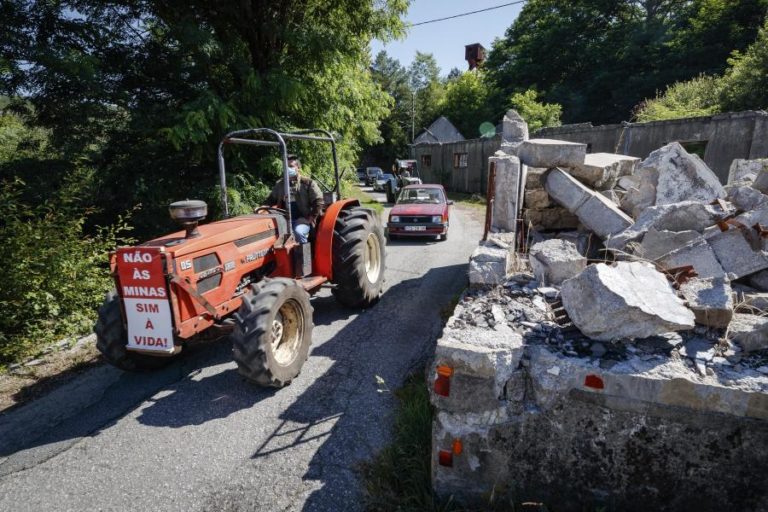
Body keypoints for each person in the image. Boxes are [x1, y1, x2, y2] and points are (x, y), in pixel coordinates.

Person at [265, 155, 324, 244]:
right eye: (286, 167)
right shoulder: (280, 185)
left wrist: (311, 218)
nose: (288, 169)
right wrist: (261, 208)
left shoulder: (307, 183)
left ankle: (303, 255)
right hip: (284, 220)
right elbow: (270, 200)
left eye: (291, 166)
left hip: (303, 219)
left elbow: (318, 201)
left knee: (298, 232)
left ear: (298, 168)